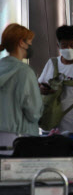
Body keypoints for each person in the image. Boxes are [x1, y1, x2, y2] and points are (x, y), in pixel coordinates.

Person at [38, 25, 73, 133]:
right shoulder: (52, 63)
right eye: (64, 45)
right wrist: (41, 88)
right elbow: (40, 83)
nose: (68, 49)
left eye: (72, 45)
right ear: (58, 45)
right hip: (50, 124)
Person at [0, 24, 43, 154]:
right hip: (20, 139)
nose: (31, 45)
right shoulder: (25, 72)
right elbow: (34, 113)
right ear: (21, 43)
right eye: (30, 42)